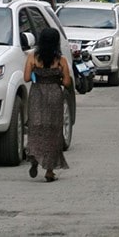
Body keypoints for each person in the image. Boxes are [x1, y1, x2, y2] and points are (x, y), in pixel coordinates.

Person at [23, 27, 71, 182]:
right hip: (55, 96)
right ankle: (50, 171)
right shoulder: (61, 60)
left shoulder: (32, 57)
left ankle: (34, 156)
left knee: (36, 126)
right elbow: (67, 82)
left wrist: (38, 74)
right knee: (53, 130)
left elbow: (26, 78)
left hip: (37, 95)